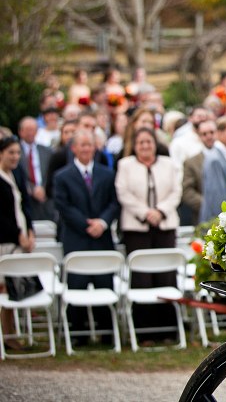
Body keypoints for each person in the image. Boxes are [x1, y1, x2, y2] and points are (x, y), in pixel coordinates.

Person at [53, 129, 120, 344]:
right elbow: (63, 206)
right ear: (73, 148)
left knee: (103, 282)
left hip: (102, 237)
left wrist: (102, 222)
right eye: (81, 145)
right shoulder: (62, 176)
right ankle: (78, 335)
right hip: (76, 237)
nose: (86, 149)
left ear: (95, 147)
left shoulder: (107, 174)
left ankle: (107, 333)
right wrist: (85, 224)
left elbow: (114, 202)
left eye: (89, 145)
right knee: (77, 283)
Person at [115, 126, 182, 339]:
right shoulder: (125, 165)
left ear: (155, 144)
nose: (145, 146)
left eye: (148, 142)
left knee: (166, 274)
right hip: (137, 227)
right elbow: (123, 192)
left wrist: (160, 211)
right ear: (134, 146)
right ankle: (143, 332)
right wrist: (145, 213)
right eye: (141, 142)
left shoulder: (169, 164)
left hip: (165, 225)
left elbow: (176, 191)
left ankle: (168, 330)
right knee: (142, 277)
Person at [0, 134, 36, 350]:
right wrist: (17, 235)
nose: (15, 156)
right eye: (11, 152)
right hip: (5, 240)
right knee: (3, 287)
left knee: (13, 287)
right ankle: (7, 334)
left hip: (20, 238)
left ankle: (10, 333)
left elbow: (25, 206)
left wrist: (29, 231)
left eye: (18, 153)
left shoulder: (16, 175)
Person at [17, 116, 54, 222]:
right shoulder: (15, 152)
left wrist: (44, 188)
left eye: (33, 129)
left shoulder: (47, 151)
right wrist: (32, 189)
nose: (30, 133)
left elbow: (51, 173)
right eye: (27, 130)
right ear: (20, 131)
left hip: (46, 200)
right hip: (26, 199)